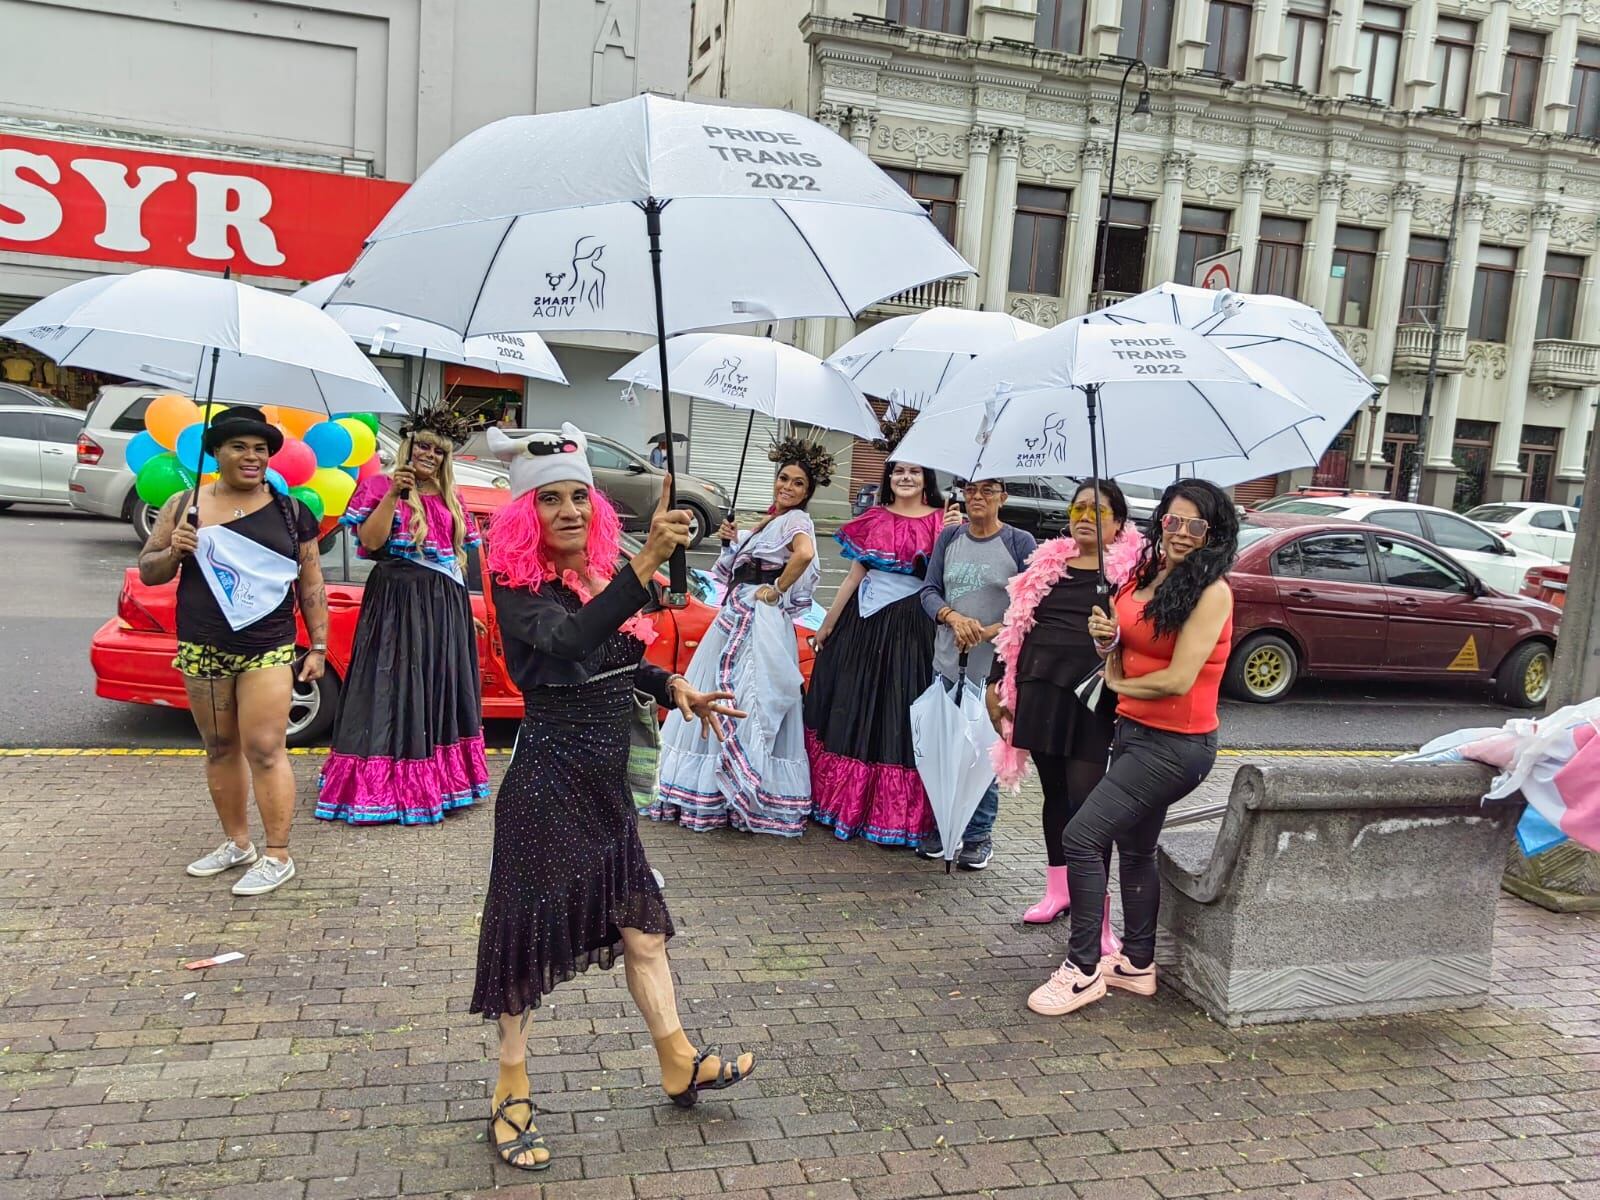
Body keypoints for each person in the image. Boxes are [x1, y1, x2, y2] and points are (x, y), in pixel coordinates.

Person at [474, 423, 755, 1171]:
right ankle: (511, 1087)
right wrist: (647, 560)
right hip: (548, 783)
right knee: (525, 940)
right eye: (548, 500)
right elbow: (565, 647)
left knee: (644, 932)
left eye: (578, 497)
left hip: (605, 791)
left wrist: (673, 686)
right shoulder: (517, 588)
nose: (568, 510)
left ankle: (679, 1060)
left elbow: (611, 661)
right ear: (522, 516)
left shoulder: (599, 580)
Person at [1026, 479, 1238, 1017]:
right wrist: (1107, 639)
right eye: (1174, 520)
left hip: (1176, 745)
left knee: (1082, 835)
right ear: (1160, 521)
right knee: (1137, 849)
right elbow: (1124, 645)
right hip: (1134, 734)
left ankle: (1082, 971)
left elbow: (1177, 679)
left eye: (1197, 525)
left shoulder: (1212, 591)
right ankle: (1138, 964)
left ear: (1213, 534)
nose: (1183, 533)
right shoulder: (1150, 574)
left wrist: (1115, 684)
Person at [137, 405, 328, 896]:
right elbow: (150, 570)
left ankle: (277, 854)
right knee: (219, 747)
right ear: (216, 453)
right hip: (203, 645)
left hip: (266, 646)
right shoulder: (184, 505)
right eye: (239, 447)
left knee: (265, 748)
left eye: (261, 449)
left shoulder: (291, 511)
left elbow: (311, 584)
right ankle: (237, 843)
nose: (252, 456)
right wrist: (173, 550)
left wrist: (319, 645)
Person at [315, 406, 491, 825]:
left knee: (436, 688)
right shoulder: (379, 486)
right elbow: (371, 543)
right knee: (392, 687)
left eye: (439, 450)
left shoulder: (453, 498)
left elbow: (454, 563)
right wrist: (394, 493)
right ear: (408, 448)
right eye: (422, 446)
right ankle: (385, 788)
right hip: (396, 601)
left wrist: (465, 613)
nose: (429, 454)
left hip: (443, 608)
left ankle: (441, 785)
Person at [651, 437, 832, 836]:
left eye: (798, 483)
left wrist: (777, 589)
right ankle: (721, 787)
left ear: (808, 491)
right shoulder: (770, 520)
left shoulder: (797, 521)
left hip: (758, 621)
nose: (787, 487)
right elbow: (733, 571)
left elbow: (802, 555)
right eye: (783, 478)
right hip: (738, 614)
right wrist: (734, 541)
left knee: (749, 694)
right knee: (722, 690)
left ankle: (741, 788)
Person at [987, 482, 1142, 923]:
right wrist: (997, 683)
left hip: (1092, 698)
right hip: (1038, 690)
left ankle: (1098, 911)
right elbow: (1015, 626)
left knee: (1088, 804)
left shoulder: (1129, 572)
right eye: (1078, 508)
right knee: (1054, 794)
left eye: (1097, 509)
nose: (1085, 516)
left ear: (1118, 521)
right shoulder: (1047, 563)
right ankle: (1058, 891)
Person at [805, 457, 945, 846]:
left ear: (926, 478)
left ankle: (896, 815)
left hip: (911, 630)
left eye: (915, 471)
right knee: (852, 706)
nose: (905, 477)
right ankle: (843, 804)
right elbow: (854, 576)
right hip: (861, 627)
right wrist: (828, 623)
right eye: (898, 471)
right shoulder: (874, 518)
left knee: (896, 712)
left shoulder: (944, 521)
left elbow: (946, 580)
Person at [914, 478, 1036, 869]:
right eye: (971, 490)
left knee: (984, 751)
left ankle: (979, 834)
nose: (978, 497)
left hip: (993, 669)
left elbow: (1030, 605)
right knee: (942, 747)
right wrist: (951, 616)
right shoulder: (949, 538)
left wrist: (987, 631)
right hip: (948, 662)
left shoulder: (1019, 542)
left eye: (988, 490)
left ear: (1003, 496)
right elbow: (929, 591)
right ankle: (942, 825)